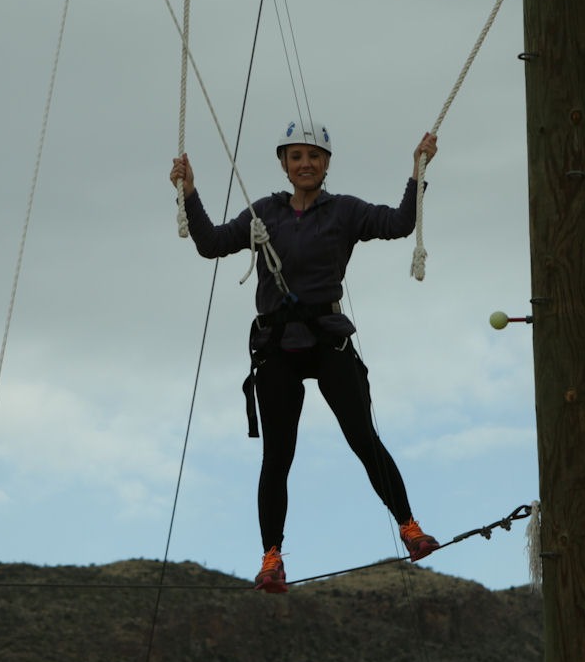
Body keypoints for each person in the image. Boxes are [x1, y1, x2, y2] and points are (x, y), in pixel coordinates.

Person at [170, 120, 443, 593]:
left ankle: (410, 528)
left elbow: (400, 224)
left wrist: (417, 172)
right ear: (283, 164)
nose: (305, 164)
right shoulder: (264, 215)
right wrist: (189, 195)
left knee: (362, 437)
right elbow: (211, 244)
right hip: (277, 344)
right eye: (296, 157)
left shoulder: (345, 212)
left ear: (327, 165)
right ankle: (272, 558)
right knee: (278, 455)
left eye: (314, 157)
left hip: (328, 339)